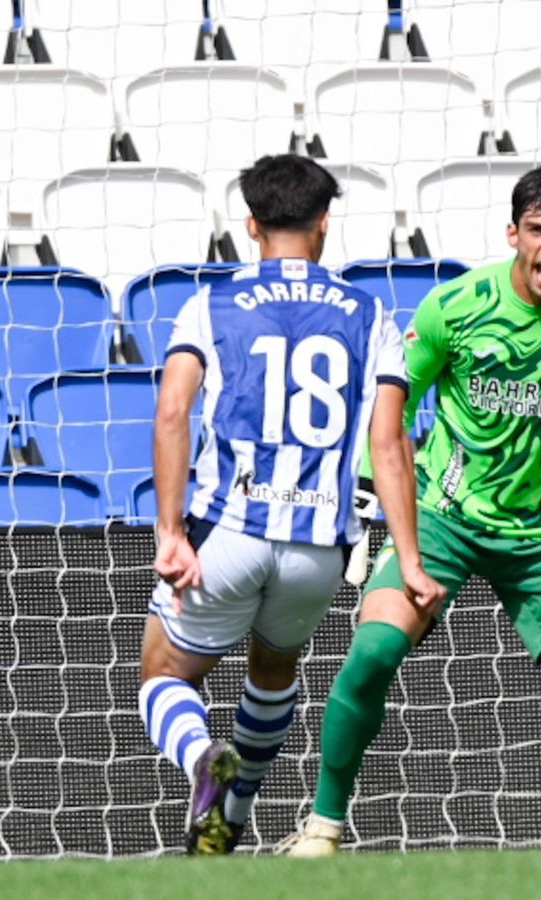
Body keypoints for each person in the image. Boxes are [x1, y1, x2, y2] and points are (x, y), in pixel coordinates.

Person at [279, 166, 541, 857]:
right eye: (539, 231)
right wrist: (368, 502)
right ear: (513, 233)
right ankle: (322, 825)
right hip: (441, 514)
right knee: (372, 652)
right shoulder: (455, 306)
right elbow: (392, 407)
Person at [138, 153, 440, 855]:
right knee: (273, 670)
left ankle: (200, 764)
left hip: (229, 531)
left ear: (250, 223)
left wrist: (170, 531)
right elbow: (391, 443)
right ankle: (235, 814)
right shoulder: (370, 314)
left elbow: (172, 415)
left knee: (163, 672)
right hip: (319, 545)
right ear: (325, 224)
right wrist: (412, 559)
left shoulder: (210, 304)